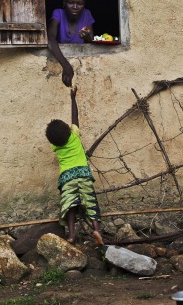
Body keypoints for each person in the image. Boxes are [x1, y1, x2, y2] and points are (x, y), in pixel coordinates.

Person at [45, 86, 104, 246]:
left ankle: (71, 235)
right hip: (83, 174)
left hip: (67, 178)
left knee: (70, 206)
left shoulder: (55, 147)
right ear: (68, 130)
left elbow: (57, 137)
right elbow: (75, 116)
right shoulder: (75, 135)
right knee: (90, 203)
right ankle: (96, 230)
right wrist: (73, 98)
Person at [48, 0, 95, 87]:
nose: (75, 7)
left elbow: (91, 41)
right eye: (71, 2)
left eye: (79, 4)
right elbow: (50, 38)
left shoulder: (86, 14)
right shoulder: (58, 14)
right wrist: (66, 65)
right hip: (63, 64)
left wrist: (86, 37)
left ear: (84, 5)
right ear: (64, 3)